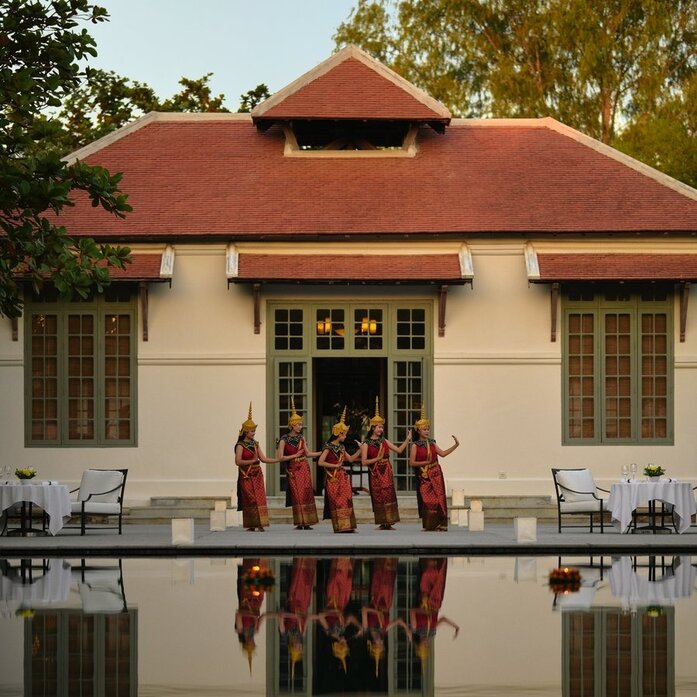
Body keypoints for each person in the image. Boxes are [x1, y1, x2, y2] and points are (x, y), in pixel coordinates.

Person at [360, 397, 411, 530]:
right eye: (379, 427)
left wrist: (407, 439)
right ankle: (382, 522)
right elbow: (364, 461)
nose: (381, 429)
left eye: (382, 427)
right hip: (375, 471)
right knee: (378, 496)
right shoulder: (366, 443)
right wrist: (377, 459)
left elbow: (399, 450)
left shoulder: (384, 441)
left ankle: (390, 522)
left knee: (388, 494)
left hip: (386, 470)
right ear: (372, 428)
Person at [409, 403, 459, 531]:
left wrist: (455, 445)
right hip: (424, 476)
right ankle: (429, 525)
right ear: (418, 430)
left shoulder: (432, 443)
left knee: (440, 499)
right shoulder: (415, 445)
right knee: (428, 500)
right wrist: (424, 463)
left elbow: (442, 454)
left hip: (436, 473)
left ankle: (441, 525)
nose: (427, 431)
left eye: (427, 429)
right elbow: (412, 463)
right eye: (424, 429)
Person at [235, 402, 280, 532]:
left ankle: (261, 523)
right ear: (245, 431)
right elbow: (237, 461)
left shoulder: (255, 444)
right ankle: (251, 524)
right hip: (246, 475)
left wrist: (277, 460)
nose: (254, 433)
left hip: (257, 474)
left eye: (254, 431)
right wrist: (251, 461)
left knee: (260, 498)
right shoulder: (240, 445)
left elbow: (263, 459)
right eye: (252, 431)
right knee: (250, 499)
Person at [276, 398, 320, 530]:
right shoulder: (284, 439)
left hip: (304, 468)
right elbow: (280, 457)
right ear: (292, 425)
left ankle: (307, 522)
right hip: (293, 469)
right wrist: (294, 455)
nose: (301, 426)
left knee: (306, 494)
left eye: (301, 424)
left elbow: (308, 453)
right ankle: (300, 522)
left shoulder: (301, 438)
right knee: (297, 495)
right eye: (298, 424)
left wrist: (323, 452)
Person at [409, 558, 459, 671]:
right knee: (439, 576)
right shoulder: (431, 632)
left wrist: (425, 612)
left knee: (428, 574)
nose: (427, 644)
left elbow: (412, 611)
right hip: (435, 600)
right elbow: (443, 619)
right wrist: (455, 626)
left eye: (424, 646)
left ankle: (428, 558)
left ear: (420, 644)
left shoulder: (415, 629)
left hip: (425, 598)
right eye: (427, 646)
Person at [318, 406, 361, 533]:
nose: (345, 436)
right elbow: (321, 462)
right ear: (338, 434)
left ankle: (349, 526)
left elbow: (351, 459)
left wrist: (361, 449)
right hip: (333, 477)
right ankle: (339, 527)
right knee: (336, 502)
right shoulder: (328, 447)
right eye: (344, 434)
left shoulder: (342, 447)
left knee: (346, 500)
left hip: (343, 477)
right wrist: (335, 466)